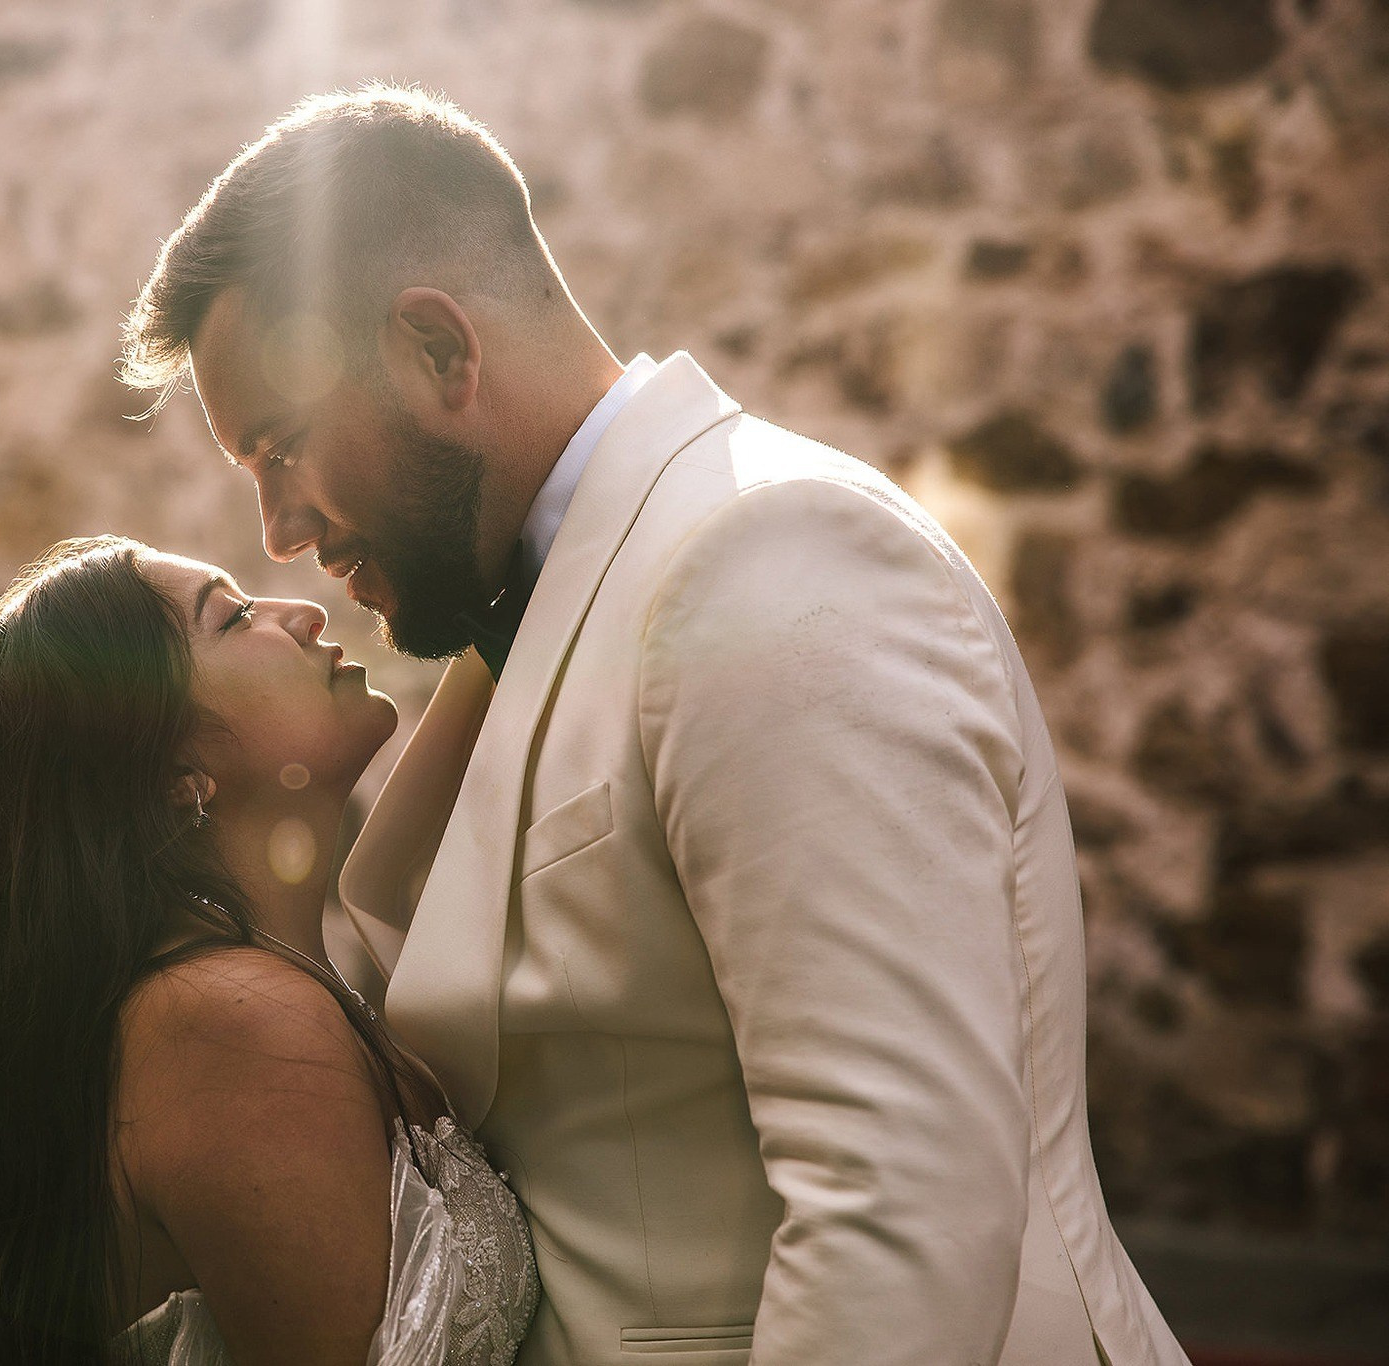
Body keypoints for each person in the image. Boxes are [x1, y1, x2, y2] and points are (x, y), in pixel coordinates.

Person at [119, 85, 1192, 1366]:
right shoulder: (551, 601)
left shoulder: (772, 556)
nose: (279, 532)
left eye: (282, 449)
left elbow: (896, 1212)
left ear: (438, 352)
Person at [0, 535, 539, 1366]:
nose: (303, 613)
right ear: (176, 773)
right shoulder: (229, 1021)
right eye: (236, 616)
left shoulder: (250, 991)